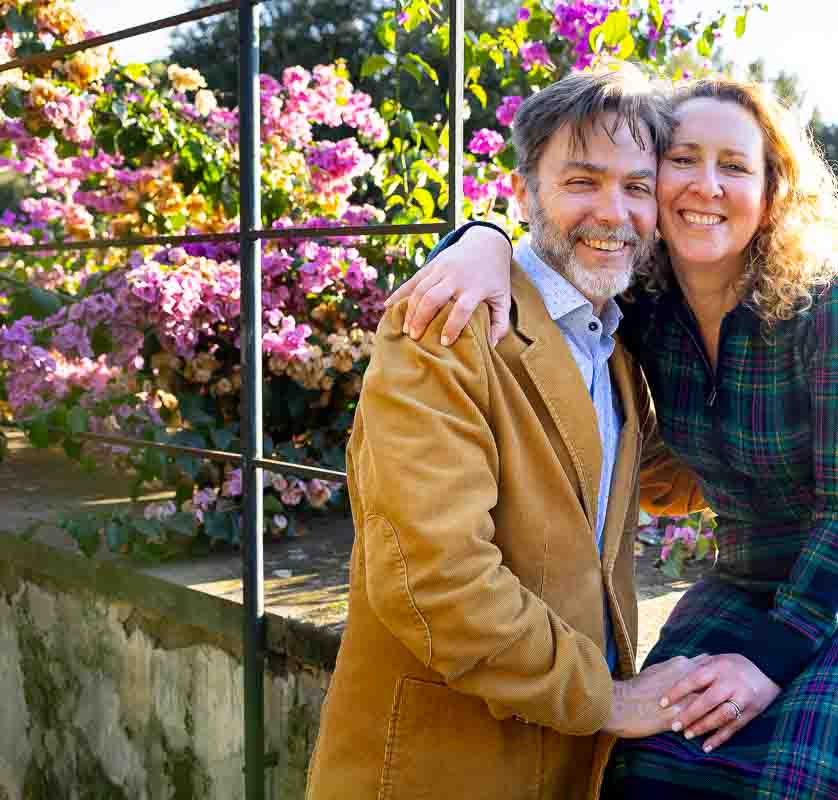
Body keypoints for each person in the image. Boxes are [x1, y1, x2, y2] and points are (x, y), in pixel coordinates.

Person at [390, 76, 838, 799]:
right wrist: (476, 238)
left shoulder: (829, 296)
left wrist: (769, 663)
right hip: (750, 581)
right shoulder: (642, 300)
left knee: (813, 782)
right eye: (683, 159)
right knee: (646, 772)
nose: (705, 185)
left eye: (735, 166)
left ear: (772, 192)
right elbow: (548, 244)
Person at [304, 66, 713, 800]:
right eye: (581, 181)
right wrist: (608, 698)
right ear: (525, 189)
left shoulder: (614, 342)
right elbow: (436, 581)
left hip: (567, 760)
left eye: (637, 187)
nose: (611, 212)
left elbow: (669, 485)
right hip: (447, 764)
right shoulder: (449, 323)